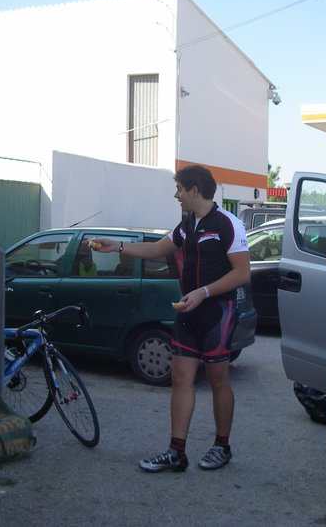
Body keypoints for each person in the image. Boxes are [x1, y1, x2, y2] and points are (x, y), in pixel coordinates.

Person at [93, 165, 250, 472]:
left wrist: (204, 292)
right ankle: (176, 451)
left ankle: (222, 446)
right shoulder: (186, 225)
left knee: (218, 380)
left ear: (195, 190)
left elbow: (242, 273)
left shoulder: (228, 224)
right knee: (180, 379)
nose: (176, 195)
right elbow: (156, 248)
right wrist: (118, 247)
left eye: (179, 188)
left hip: (218, 312)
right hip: (188, 311)